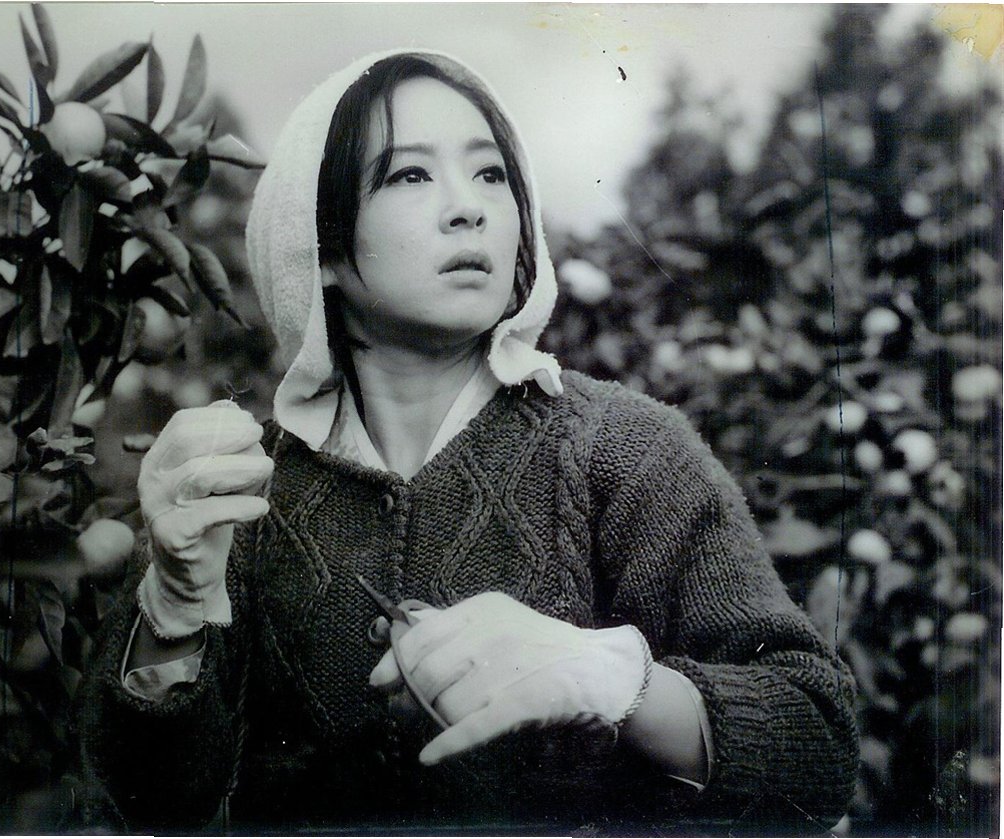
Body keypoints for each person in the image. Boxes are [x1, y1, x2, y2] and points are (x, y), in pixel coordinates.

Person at [76, 50, 859, 834]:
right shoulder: (238, 490)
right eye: (410, 175)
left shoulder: (625, 450)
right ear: (320, 248)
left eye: (491, 174)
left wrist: (619, 680)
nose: (470, 208)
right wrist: (173, 608)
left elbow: (818, 744)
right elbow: (149, 807)